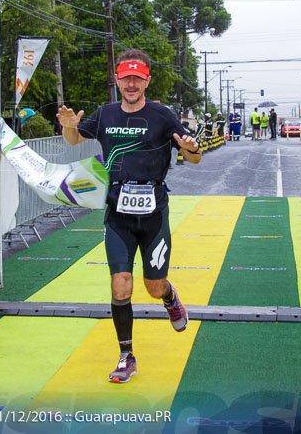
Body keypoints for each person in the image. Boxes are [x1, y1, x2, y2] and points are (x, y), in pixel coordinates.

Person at [56, 49, 201, 383]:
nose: (132, 84)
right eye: (126, 78)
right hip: (117, 213)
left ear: (147, 80)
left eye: (138, 78)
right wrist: (68, 127)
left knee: (153, 287)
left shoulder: (163, 115)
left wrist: (192, 149)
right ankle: (126, 356)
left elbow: (192, 156)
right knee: (120, 286)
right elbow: (74, 139)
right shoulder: (105, 114)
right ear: (117, 80)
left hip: (153, 214)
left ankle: (170, 297)